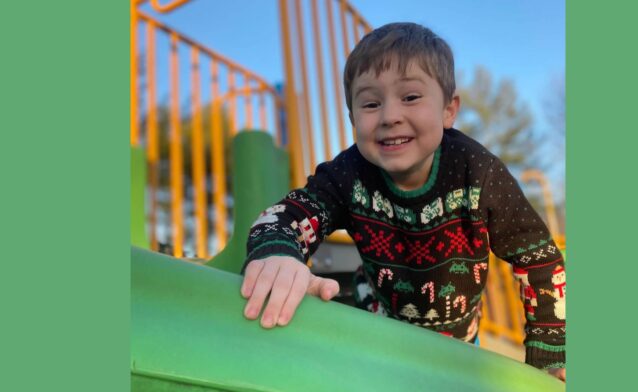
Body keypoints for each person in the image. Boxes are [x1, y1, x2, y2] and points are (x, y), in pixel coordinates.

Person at [240, 22, 566, 381]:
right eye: (370, 103)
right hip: (378, 325)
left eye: (410, 97)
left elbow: (538, 259)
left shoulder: (477, 171)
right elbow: (283, 217)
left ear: (448, 109)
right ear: (353, 118)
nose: (390, 116)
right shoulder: (349, 175)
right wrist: (279, 253)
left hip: (458, 339)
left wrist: (549, 353)